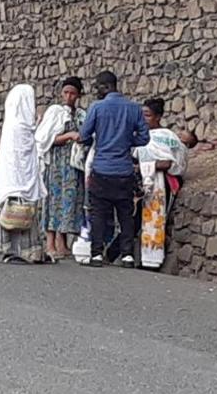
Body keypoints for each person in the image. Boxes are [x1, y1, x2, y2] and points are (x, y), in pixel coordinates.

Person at [79, 70, 150, 268]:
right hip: (125, 171)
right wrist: (127, 140)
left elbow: (84, 136)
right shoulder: (134, 108)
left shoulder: (97, 108)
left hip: (101, 169)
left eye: (97, 87)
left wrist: (100, 139)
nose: (96, 91)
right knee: (125, 214)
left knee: (99, 213)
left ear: (105, 86)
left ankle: (96, 254)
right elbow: (145, 138)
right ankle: (127, 256)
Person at [35, 76, 87, 260]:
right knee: (54, 200)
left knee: (70, 201)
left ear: (78, 95)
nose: (68, 97)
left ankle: (62, 242)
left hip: (73, 166)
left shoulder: (81, 115)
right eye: (66, 93)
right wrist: (68, 136)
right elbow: (44, 140)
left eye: (73, 93)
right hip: (57, 165)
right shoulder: (55, 112)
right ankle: (50, 242)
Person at [0, 84, 48, 264]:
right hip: (20, 178)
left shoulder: (12, 123)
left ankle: (29, 250)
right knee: (22, 215)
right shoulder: (20, 126)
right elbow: (28, 145)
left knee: (21, 215)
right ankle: (21, 251)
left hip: (14, 177)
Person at [134, 98, 188, 270]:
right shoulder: (137, 136)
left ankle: (151, 260)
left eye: (147, 115)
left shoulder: (166, 137)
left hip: (159, 183)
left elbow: (169, 163)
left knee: (153, 219)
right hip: (138, 183)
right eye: (141, 115)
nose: (143, 119)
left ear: (158, 117)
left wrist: (145, 166)